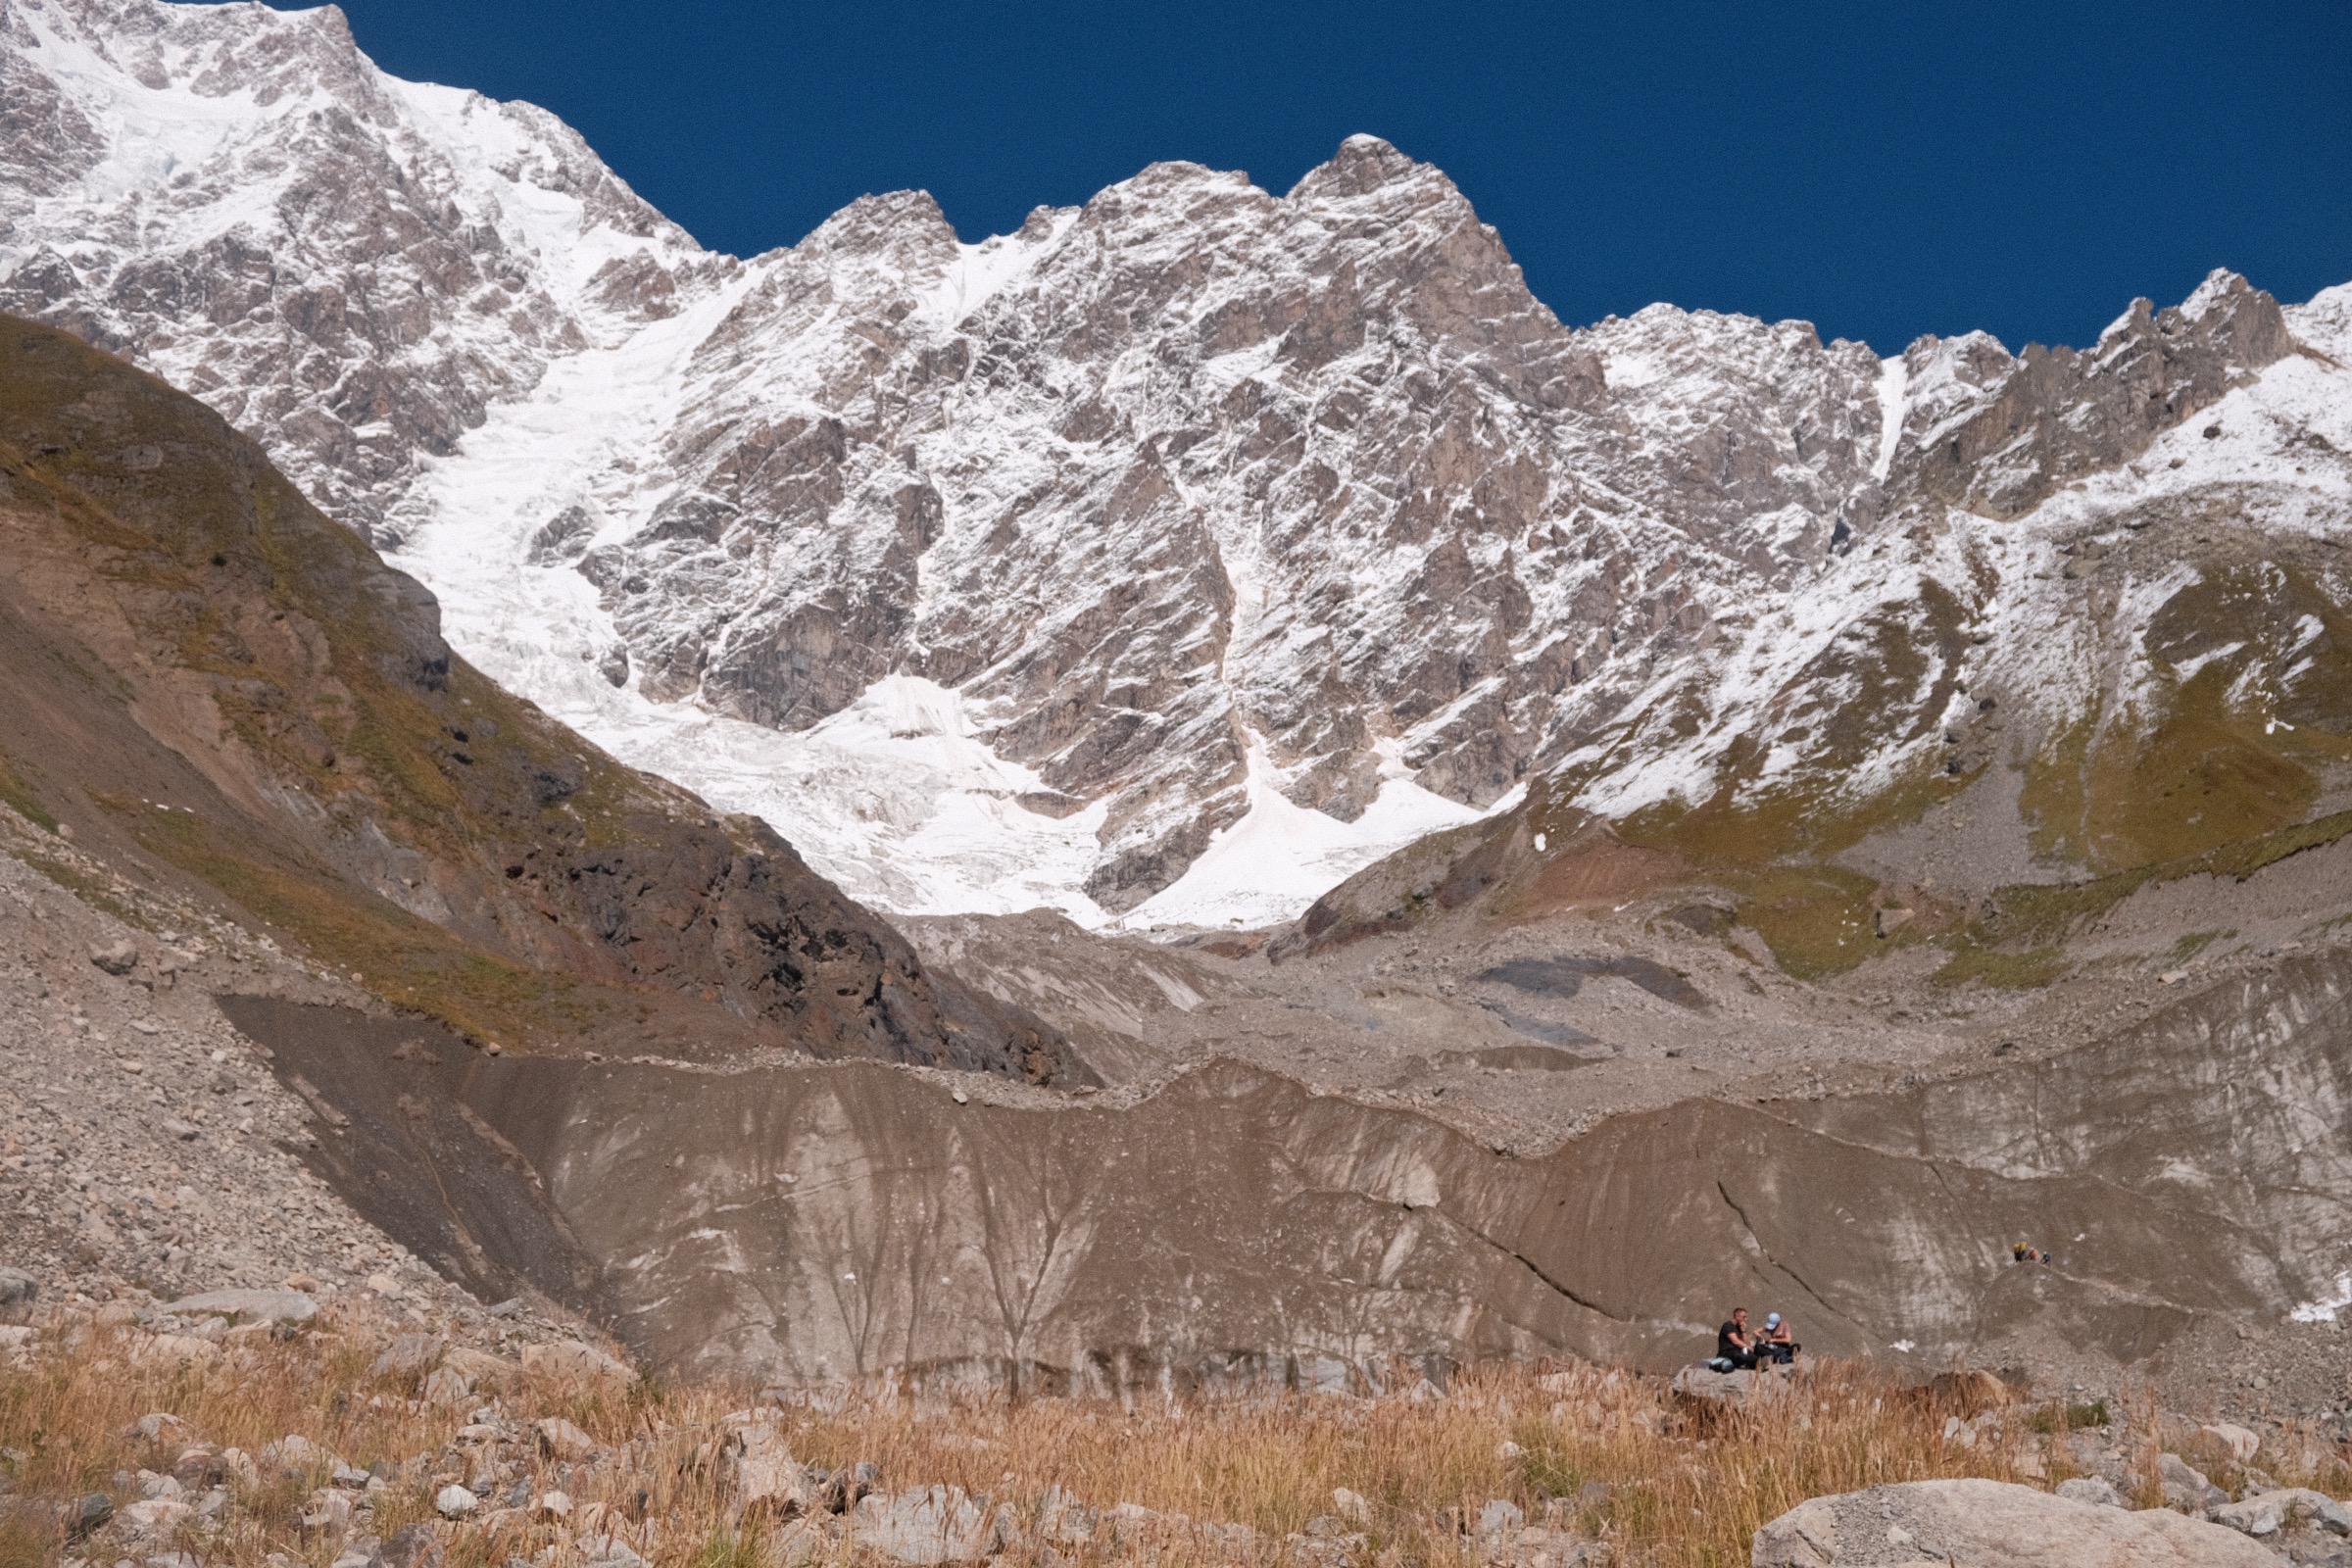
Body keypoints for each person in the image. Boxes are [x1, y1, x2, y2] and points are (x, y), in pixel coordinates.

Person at [1713, 1306, 1758, 1370]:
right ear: (1737, 1316)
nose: (1746, 1319)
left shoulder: (1740, 1327)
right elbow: (1735, 1341)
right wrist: (1747, 1347)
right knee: (1738, 1355)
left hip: (1737, 1351)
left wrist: (1744, 1331)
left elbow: (1748, 1344)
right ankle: (1757, 1362)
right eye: (1744, 1317)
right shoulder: (1728, 1325)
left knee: (1748, 1353)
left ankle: (1757, 1362)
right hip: (1727, 1352)